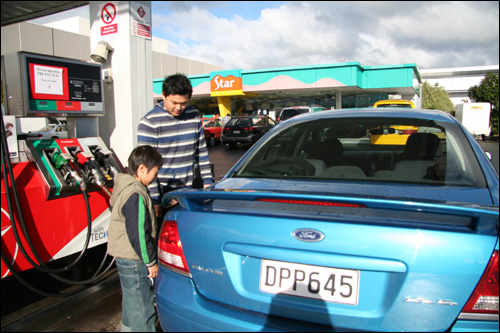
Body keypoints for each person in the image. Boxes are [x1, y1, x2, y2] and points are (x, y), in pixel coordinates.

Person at [137, 73, 214, 219]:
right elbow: (147, 165)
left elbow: (201, 151)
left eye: (183, 103)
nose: (178, 108)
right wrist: (154, 199)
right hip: (162, 194)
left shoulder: (194, 115)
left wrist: (208, 181)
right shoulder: (149, 122)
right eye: (174, 102)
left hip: (188, 191)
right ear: (163, 95)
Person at [108, 145, 163, 332]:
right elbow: (139, 233)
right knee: (143, 307)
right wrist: (151, 262)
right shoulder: (135, 194)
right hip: (135, 260)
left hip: (124, 257)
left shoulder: (125, 187)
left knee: (132, 300)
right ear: (142, 169)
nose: (155, 178)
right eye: (154, 173)